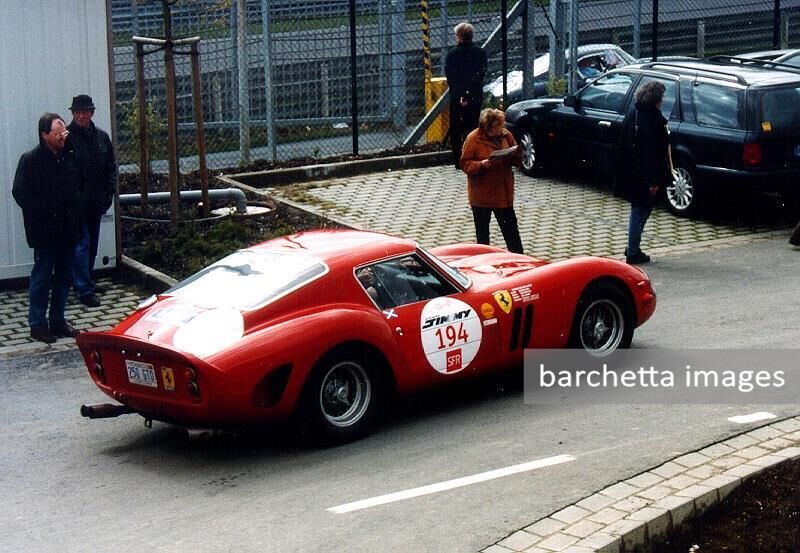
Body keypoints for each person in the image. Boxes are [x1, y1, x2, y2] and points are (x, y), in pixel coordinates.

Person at [12, 113, 84, 343]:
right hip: (44, 232)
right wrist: (42, 213)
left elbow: (80, 186)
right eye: (57, 133)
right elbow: (20, 193)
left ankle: (58, 320)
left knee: (64, 277)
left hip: (68, 230)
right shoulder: (30, 160)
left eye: (64, 132)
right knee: (42, 277)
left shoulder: (70, 157)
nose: (63, 136)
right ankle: (37, 324)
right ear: (44, 135)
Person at [67, 94, 117, 307]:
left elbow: (111, 168)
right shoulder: (67, 139)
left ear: (92, 113)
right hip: (76, 205)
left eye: (85, 112)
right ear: (73, 114)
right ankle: (83, 289)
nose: (81, 116)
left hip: (97, 202)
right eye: (77, 112)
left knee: (92, 244)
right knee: (82, 245)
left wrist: (108, 193)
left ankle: (85, 280)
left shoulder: (102, 138)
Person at [616, 81, 673, 264]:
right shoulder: (653, 120)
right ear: (656, 100)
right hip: (645, 175)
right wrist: (654, 181)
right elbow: (653, 153)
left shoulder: (634, 114)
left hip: (631, 172)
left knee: (641, 208)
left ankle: (633, 246)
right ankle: (633, 250)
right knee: (640, 210)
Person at [460, 108, 524, 254]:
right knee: (483, 237)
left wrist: (516, 155)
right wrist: (481, 165)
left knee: (512, 234)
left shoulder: (506, 135)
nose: (501, 129)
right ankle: (484, 262)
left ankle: (519, 259)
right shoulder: (473, 139)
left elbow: (516, 156)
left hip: (503, 195)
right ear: (487, 127)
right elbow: (465, 164)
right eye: (497, 126)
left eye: (502, 125)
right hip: (482, 197)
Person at [445, 22, 488, 169]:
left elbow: (451, 77)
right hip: (474, 94)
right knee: (473, 126)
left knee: (456, 127)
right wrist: (468, 93)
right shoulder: (480, 53)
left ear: (459, 36)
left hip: (456, 95)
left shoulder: (452, 54)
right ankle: (473, 155)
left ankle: (458, 159)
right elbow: (480, 75)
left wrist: (460, 94)